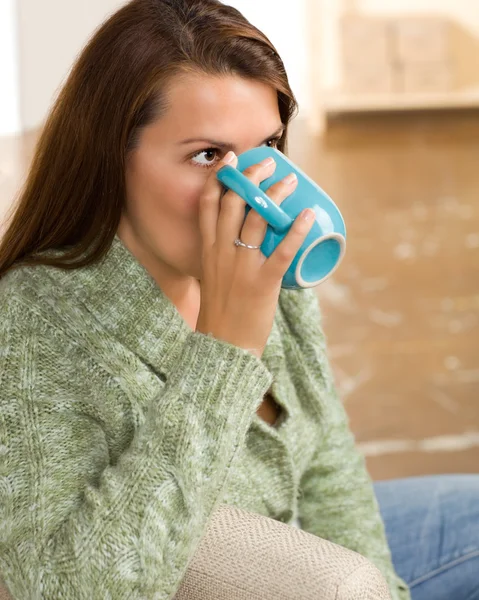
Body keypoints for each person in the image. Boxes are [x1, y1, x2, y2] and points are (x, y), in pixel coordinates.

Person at [0, 1, 477, 598]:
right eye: (206, 155)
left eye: (266, 146)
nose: (252, 192)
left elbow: (331, 470)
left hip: (303, 545)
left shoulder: (266, 269)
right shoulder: (33, 322)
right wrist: (225, 350)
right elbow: (64, 586)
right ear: (110, 157)